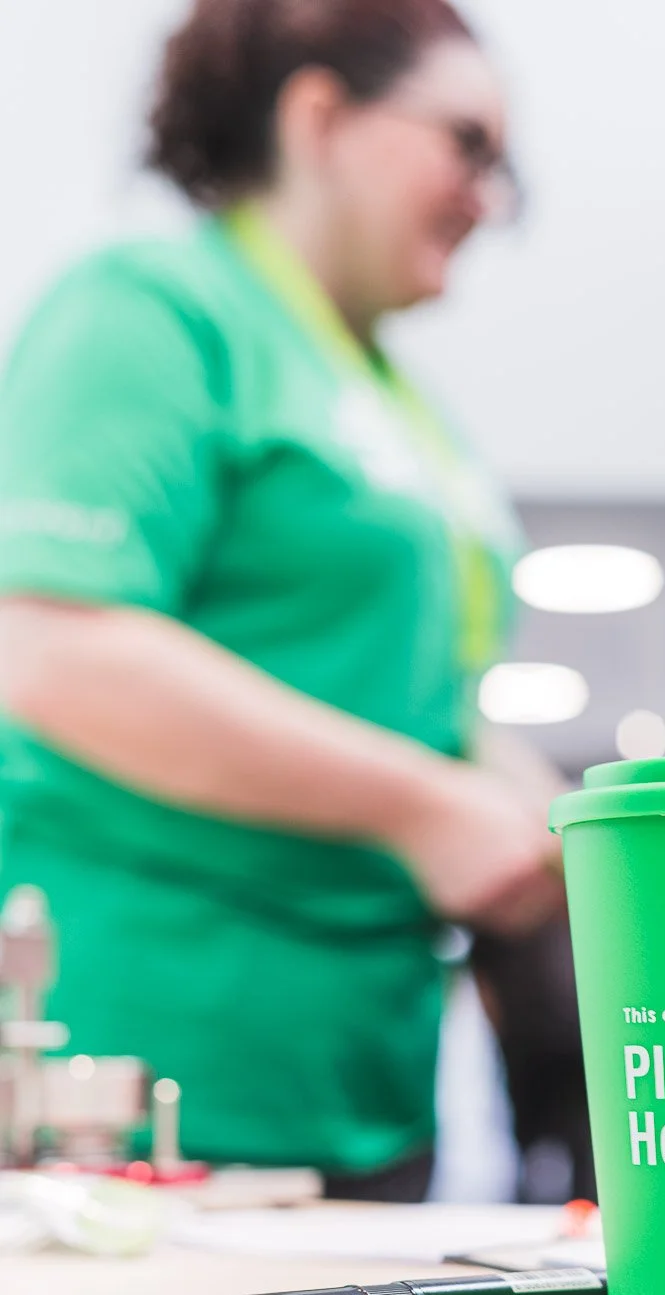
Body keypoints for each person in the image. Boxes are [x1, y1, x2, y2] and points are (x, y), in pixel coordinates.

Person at [0, 0, 565, 1199]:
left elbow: (426, 707)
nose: (491, 197)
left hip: (363, 1083)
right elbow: (51, 646)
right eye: (468, 143)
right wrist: (424, 809)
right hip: (151, 1082)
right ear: (319, 117)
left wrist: (560, 823)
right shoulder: (152, 311)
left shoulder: (397, 405)